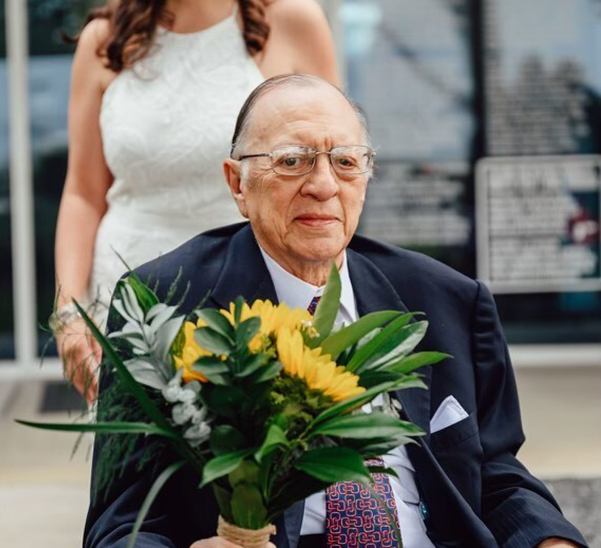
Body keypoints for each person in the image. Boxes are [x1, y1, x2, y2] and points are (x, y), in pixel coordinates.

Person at [84, 74, 587, 548]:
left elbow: (496, 474)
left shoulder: (447, 299)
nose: (324, 185)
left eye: (346, 162)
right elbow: (122, 522)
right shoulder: (161, 307)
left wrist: (550, 538)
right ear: (237, 184)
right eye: (292, 161)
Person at [53, 0, 338, 402]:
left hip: (257, 307)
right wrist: (69, 312)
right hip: (130, 306)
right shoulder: (104, 42)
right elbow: (84, 193)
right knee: (139, 488)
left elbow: (332, 179)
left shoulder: (294, 21)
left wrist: (323, 298)